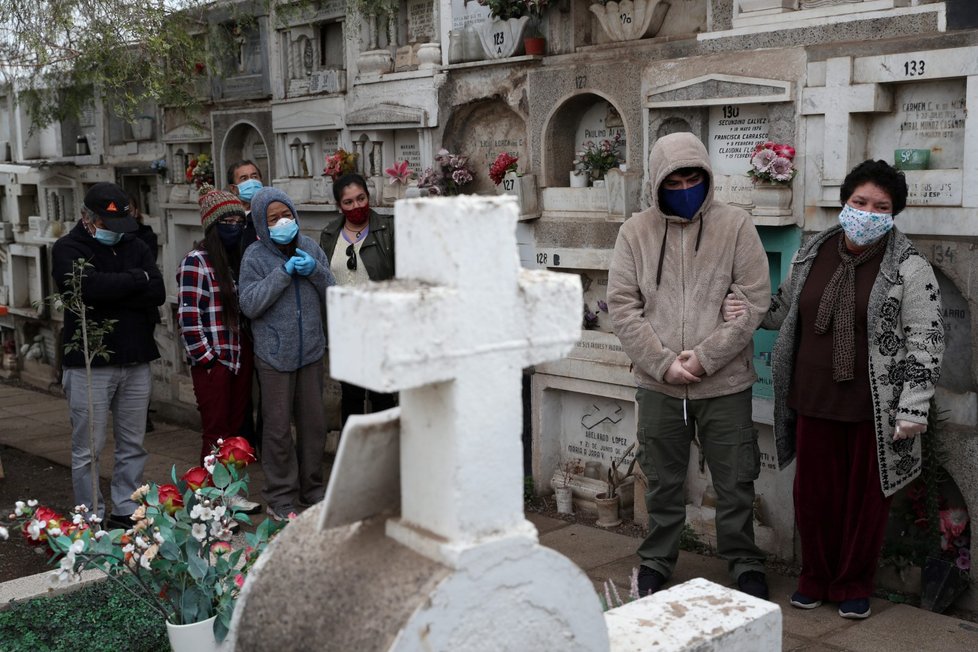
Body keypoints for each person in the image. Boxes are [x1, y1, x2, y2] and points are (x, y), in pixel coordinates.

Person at [722, 159, 945, 619]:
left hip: (874, 407)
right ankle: (814, 577)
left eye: (880, 207)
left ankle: (853, 584)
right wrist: (744, 311)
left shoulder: (909, 265)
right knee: (814, 496)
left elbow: (926, 337)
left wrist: (914, 406)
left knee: (864, 505)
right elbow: (784, 310)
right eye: (860, 201)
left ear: (893, 214)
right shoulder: (812, 252)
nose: (867, 212)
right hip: (813, 398)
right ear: (845, 202)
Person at [607, 131, 772, 600]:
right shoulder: (634, 233)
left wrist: (702, 359)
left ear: (707, 176)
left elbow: (755, 298)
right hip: (658, 385)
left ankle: (743, 561)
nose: (684, 187)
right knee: (660, 481)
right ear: (657, 182)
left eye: (693, 177)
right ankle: (657, 558)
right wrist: (663, 364)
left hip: (724, 384)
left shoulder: (736, 225)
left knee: (736, 480)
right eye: (674, 179)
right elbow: (622, 306)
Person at [52, 182, 166, 529]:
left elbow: (157, 292)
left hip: (136, 357)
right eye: (109, 226)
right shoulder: (67, 248)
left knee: (133, 443)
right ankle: (90, 517)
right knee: (88, 449)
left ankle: (125, 509)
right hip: (90, 362)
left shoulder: (135, 242)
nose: (117, 234)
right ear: (89, 219)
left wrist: (113, 287)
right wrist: (135, 281)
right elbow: (86, 290)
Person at [239, 187, 335, 520]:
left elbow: (333, 292)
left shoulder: (309, 247)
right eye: (273, 218)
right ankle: (280, 497)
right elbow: (249, 304)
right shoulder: (254, 256)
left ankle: (313, 490)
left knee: (313, 426)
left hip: (310, 350)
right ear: (262, 226)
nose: (283, 222)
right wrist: (283, 274)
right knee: (278, 429)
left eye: (287, 215)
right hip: (274, 355)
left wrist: (315, 272)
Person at [175, 186, 259, 514]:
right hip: (216, 362)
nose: (235, 226)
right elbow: (189, 318)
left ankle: (232, 493)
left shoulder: (236, 262)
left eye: (240, 220)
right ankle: (209, 500)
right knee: (215, 434)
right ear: (213, 225)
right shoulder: (197, 262)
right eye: (228, 221)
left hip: (239, 357)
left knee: (236, 433)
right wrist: (208, 360)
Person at [319, 173, 397, 423]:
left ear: (369, 196)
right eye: (348, 202)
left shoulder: (387, 230)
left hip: (380, 330)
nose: (356, 206)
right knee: (351, 398)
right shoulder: (330, 235)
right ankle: (354, 457)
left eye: (361, 198)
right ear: (339, 206)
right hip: (346, 332)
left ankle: (384, 457)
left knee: (382, 398)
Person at [226, 159, 264, 454]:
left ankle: (263, 442)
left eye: (255, 176)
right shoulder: (230, 223)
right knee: (241, 392)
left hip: (266, 313)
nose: (251, 181)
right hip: (237, 316)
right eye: (244, 178)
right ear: (233, 187)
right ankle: (244, 444)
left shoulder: (272, 216)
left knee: (269, 389)